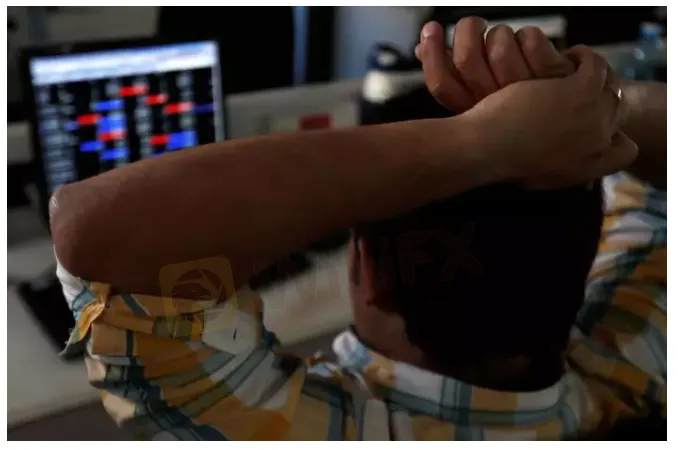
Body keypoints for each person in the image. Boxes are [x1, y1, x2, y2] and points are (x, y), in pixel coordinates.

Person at [50, 18, 665, 440]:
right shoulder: (627, 365)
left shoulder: (316, 431)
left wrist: (483, 144)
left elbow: (96, 225)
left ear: (366, 269)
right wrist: (590, 102)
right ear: (588, 254)